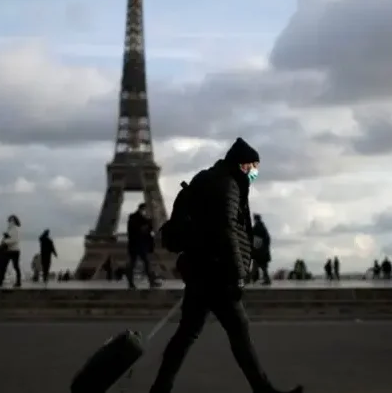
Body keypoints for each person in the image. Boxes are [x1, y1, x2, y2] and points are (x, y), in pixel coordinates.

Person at [149, 137, 302, 393]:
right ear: (242, 164)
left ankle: (160, 389)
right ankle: (263, 390)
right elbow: (227, 229)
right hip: (216, 271)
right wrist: (238, 274)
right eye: (253, 166)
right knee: (238, 332)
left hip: (200, 266)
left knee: (188, 333)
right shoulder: (228, 185)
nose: (255, 172)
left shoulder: (210, 178)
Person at [126, 203, 160, 289]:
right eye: (145, 209)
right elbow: (137, 230)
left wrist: (149, 223)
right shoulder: (134, 218)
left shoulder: (142, 219)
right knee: (137, 263)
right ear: (142, 209)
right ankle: (133, 283)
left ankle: (148, 282)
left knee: (143, 263)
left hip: (140, 245)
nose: (146, 211)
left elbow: (148, 230)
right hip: (136, 245)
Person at [0, 215, 22, 287]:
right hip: (9, 250)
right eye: (10, 220)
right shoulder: (10, 229)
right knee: (4, 265)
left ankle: (18, 282)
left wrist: (5, 241)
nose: (10, 221)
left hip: (14, 251)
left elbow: (14, 240)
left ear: (15, 221)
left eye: (12, 220)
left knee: (15, 267)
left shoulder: (15, 229)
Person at [251, 214, 272, 285]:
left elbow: (253, 236)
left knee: (259, 266)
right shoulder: (262, 227)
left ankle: (252, 279)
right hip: (262, 251)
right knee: (260, 266)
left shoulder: (258, 227)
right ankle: (253, 279)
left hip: (259, 251)